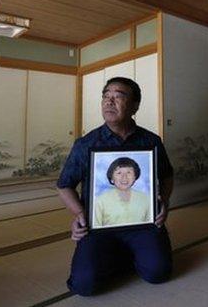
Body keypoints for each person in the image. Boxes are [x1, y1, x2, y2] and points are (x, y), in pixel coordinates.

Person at [57, 77, 174, 296]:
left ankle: (128, 253)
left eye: (118, 96)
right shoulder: (86, 144)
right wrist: (80, 214)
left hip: (142, 223)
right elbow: (64, 185)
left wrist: (164, 203)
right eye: (105, 96)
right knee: (84, 285)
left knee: (158, 273)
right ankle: (120, 254)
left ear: (135, 106)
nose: (109, 101)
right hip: (99, 226)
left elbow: (167, 176)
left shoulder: (151, 141)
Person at [94, 157, 150, 228]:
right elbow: (96, 229)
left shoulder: (146, 199)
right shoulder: (100, 201)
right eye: (119, 173)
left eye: (129, 172)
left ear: (135, 177)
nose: (124, 177)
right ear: (111, 178)